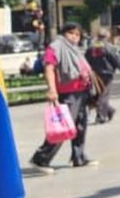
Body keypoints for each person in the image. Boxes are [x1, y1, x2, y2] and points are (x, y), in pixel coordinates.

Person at [30, 22, 98, 171]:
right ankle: (40, 158)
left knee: (80, 125)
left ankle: (78, 157)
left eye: (77, 34)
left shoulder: (74, 49)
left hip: (81, 92)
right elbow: (49, 68)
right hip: (67, 93)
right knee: (63, 126)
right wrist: (52, 90)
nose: (74, 37)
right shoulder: (56, 47)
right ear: (63, 33)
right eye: (71, 33)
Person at [85, 31, 120, 124]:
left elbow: (85, 60)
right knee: (103, 94)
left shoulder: (91, 47)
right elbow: (117, 60)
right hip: (107, 74)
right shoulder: (109, 47)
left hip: (95, 74)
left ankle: (109, 111)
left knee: (100, 94)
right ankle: (102, 115)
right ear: (107, 36)